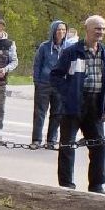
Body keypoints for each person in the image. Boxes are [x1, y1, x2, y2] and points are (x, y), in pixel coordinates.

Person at [50, 15, 105, 193]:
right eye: (97, 28)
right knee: (67, 145)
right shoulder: (72, 51)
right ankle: (66, 184)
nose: (100, 32)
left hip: (96, 105)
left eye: (103, 29)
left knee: (99, 145)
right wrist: (68, 93)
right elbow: (55, 76)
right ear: (87, 29)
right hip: (74, 105)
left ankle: (97, 185)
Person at [31, 21, 68, 149]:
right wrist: (37, 81)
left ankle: (51, 140)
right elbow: (37, 64)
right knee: (40, 113)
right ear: (53, 31)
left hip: (60, 85)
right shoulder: (44, 47)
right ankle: (36, 140)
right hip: (44, 83)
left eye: (63, 30)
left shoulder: (68, 48)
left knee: (57, 113)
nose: (61, 32)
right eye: (58, 30)